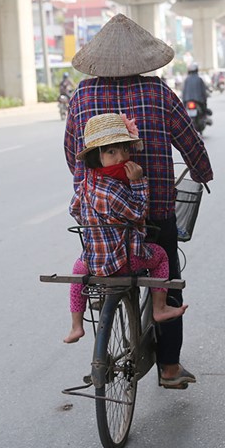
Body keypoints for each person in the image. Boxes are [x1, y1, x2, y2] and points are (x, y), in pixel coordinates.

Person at [64, 13, 213, 389]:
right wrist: (201, 172)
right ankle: (169, 368)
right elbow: (189, 139)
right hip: (154, 209)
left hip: (98, 214)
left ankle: (98, 309)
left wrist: (88, 184)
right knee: (168, 274)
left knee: (94, 259)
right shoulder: (158, 92)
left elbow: (71, 151)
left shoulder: (82, 94)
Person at [64, 113, 188, 344]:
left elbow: (74, 209)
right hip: (124, 261)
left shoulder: (87, 184)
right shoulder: (115, 189)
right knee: (161, 256)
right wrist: (139, 183)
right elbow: (138, 212)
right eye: (111, 152)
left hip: (93, 261)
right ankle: (160, 308)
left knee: (76, 272)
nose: (121, 157)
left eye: (125, 150)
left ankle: (76, 325)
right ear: (96, 157)